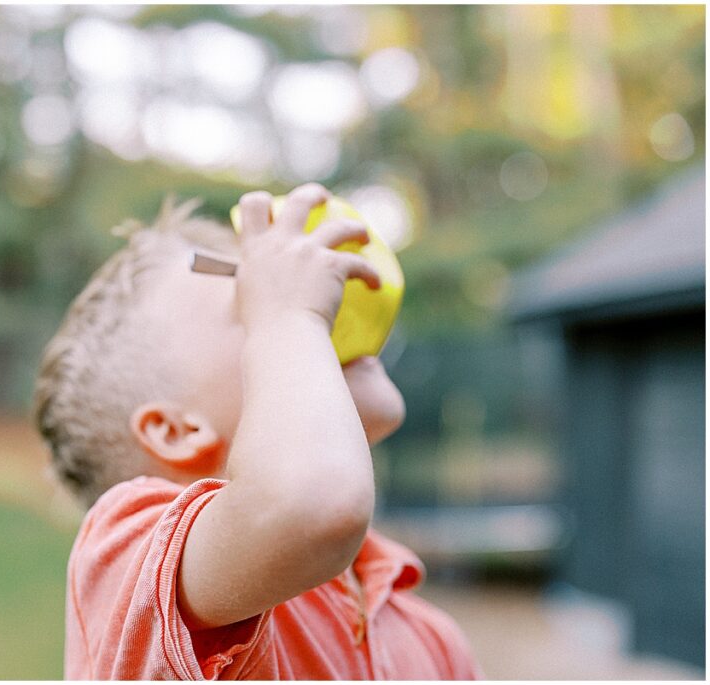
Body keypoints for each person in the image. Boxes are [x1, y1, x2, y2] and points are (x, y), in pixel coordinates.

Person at [32, 183, 483, 679]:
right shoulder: (128, 558)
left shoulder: (431, 636)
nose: (320, 300)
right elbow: (309, 506)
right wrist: (289, 314)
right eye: (251, 300)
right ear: (175, 431)